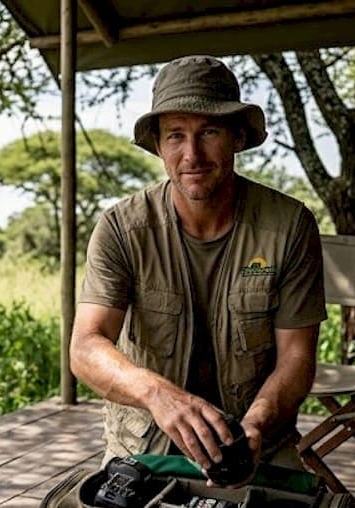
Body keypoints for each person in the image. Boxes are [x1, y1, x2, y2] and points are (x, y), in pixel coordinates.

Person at [70, 55, 326, 482]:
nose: (192, 154)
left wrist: (257, 424)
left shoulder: (289, 226)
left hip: (256, 445)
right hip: (143, 445)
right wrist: (158, 395)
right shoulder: (122, 227)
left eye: (209, 132)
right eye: (175, 135)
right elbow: (85, 347)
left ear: (237, 138)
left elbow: (297, 356)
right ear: (158, 146)